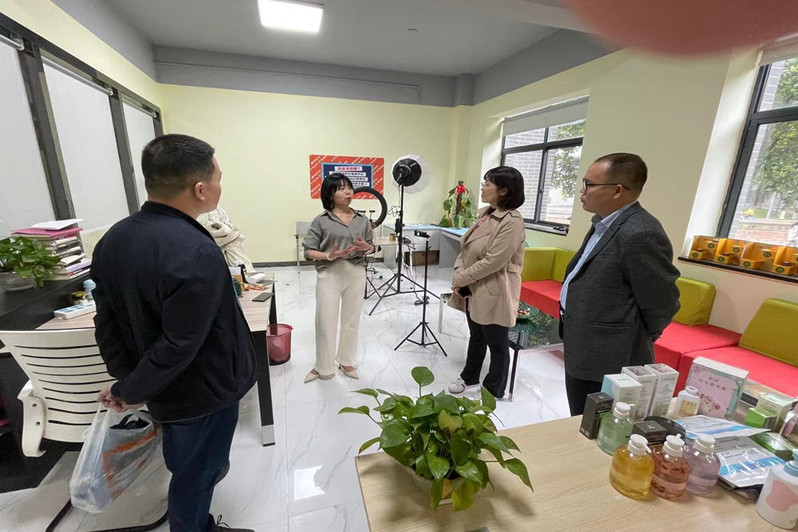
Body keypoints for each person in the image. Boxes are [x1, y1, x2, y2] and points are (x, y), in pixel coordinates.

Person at [92, 134, 255, 532]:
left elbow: (106, 321)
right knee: (197, 474)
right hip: (202, 393)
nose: (219, 186)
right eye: (218, 178)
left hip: (165, 390)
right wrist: (131, 388)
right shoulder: (194, 249)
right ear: (200, 189)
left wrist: (128, 381)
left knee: (189, 466)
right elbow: (181, 342)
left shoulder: (113, 239)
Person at [560, 153, 680, 416]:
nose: (582, 191)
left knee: (595, 423)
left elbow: (662, 301)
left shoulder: (640, 232)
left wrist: (638, 334)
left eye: (589, 184)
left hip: (610, 356)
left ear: (617, 190)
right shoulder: (604, 224)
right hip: (584, 345)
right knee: (579, 417)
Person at [447, 166, 526, 399]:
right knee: (477, 335)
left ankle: (493, 390)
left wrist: (461, 278)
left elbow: (494, 261)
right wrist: (460, 272)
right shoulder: (486, 213)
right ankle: (469, 377)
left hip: (495, 288)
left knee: (497, 343)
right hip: (474, 285)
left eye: (487, 184)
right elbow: (466, 248)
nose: (482, 188)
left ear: (504, 190)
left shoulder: (512, 221)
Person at [302, 173, 373, 383]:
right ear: (330, 194)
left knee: (351, 320)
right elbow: (308, 251)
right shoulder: (321, 221)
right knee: (325, 321)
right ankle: (322, 366)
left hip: (356, 272)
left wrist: (368, 247)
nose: (348, 191)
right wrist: (328, 255)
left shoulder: (362, 220)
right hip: (329, 273)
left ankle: (346, 361)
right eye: (341, 188)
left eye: (349, 187)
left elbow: (371, 245)